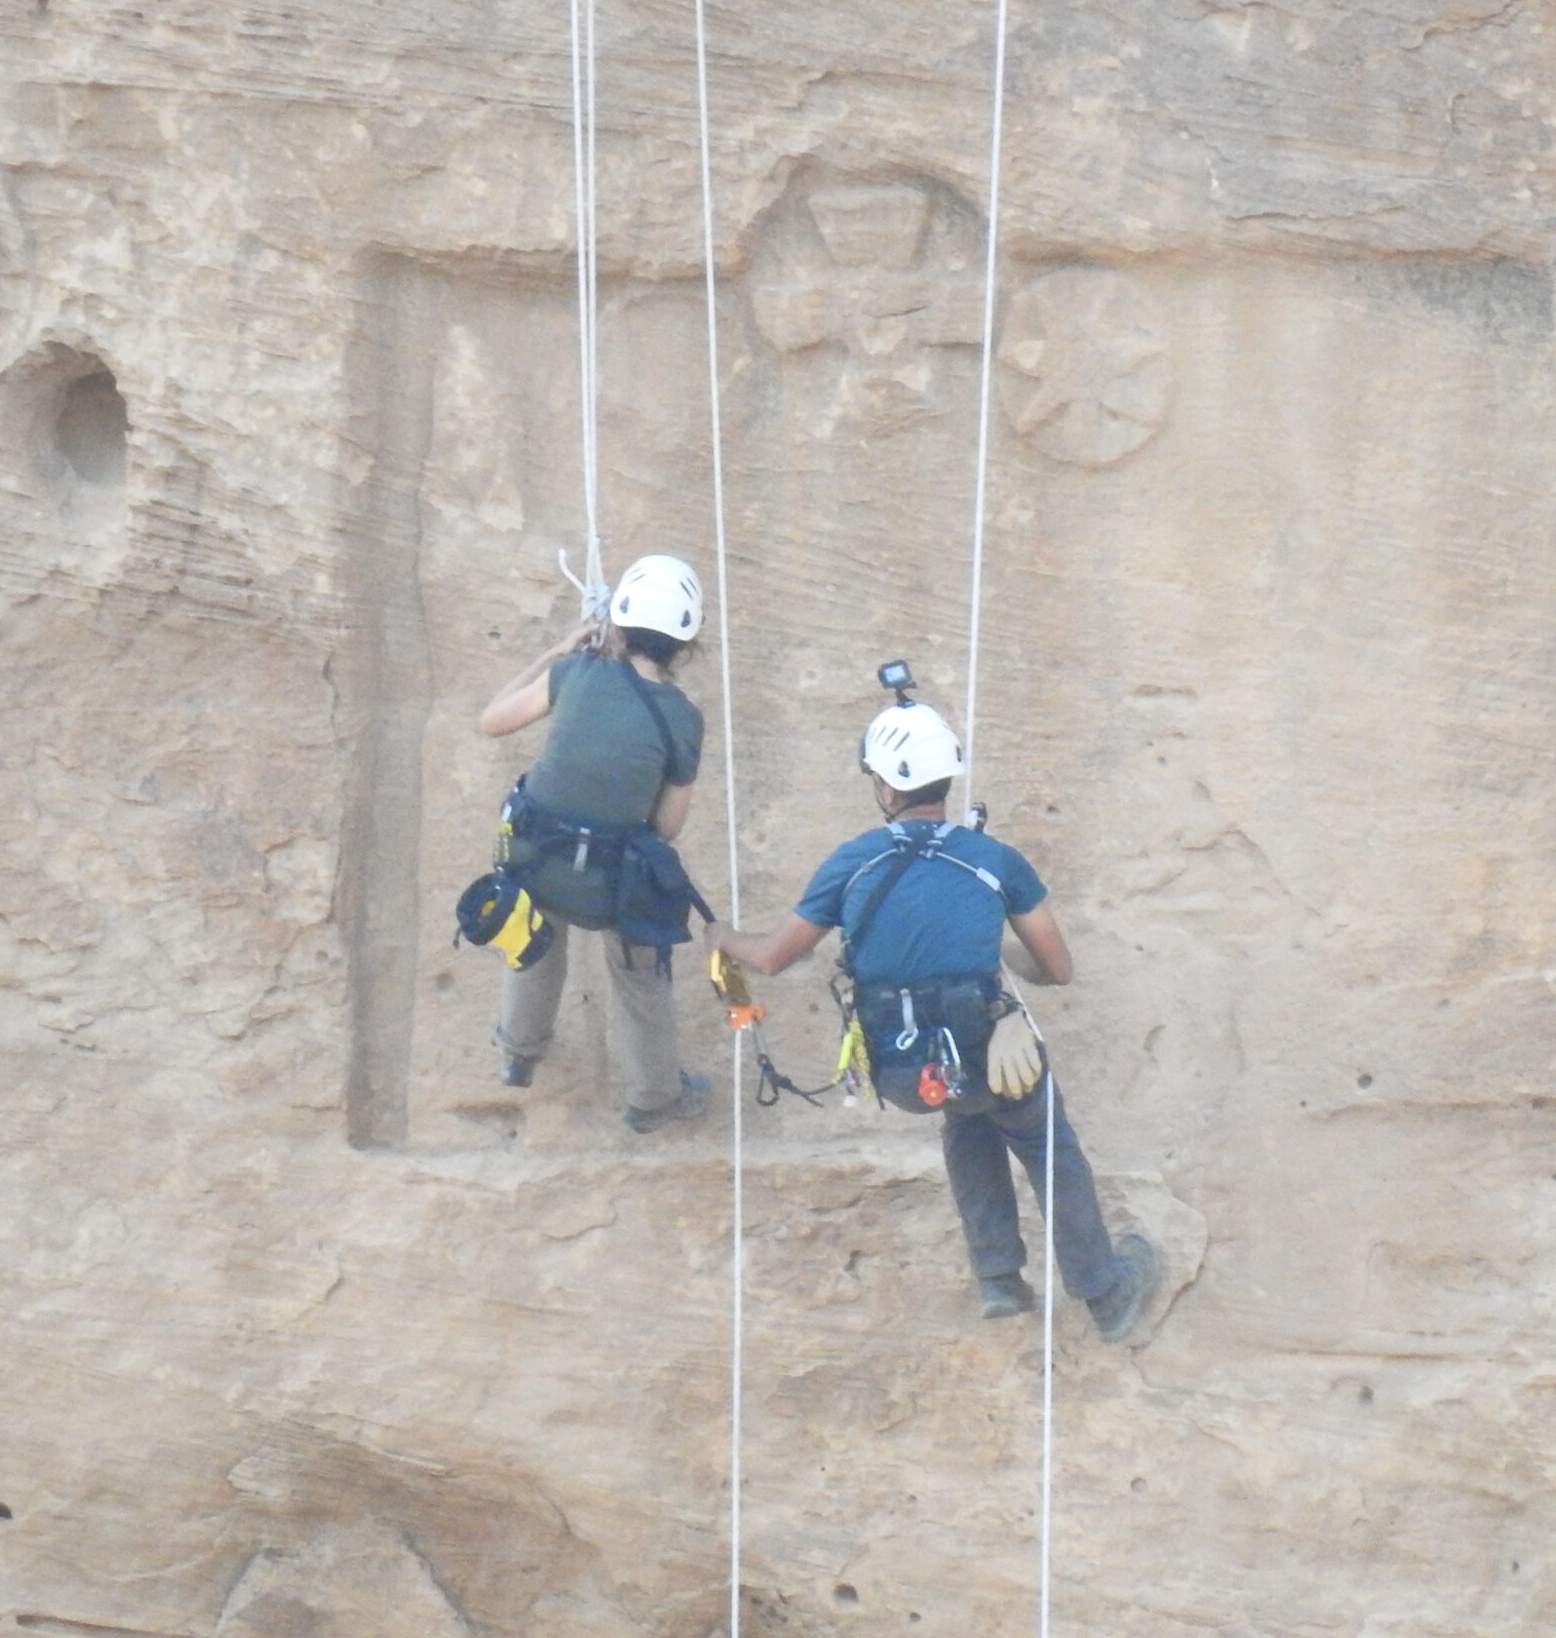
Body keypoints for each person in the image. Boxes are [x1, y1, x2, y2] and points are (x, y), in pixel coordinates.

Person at [709, 693, 1160, 1341]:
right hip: (988, 1045)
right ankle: (1105, 1293)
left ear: (888, 788)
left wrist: (726, 938)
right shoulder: (991, 860)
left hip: (900, 1067)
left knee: (965, 1115)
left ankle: (1000, 1277)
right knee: (1042, 1141)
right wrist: (989, 947)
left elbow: (776, 957)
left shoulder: (852, 860)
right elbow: (1056, 967)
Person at [476, 553, 711, 1132]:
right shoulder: (683, 718)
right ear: (684, 644)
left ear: (618, 623)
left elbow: (493, 719)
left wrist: (555, 652)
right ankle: (654, 1098)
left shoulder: (575, 674)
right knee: (639, 974)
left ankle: (519, 1052)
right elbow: (669, 826)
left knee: (533, 940)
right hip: (615, 880)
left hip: (538, 856)